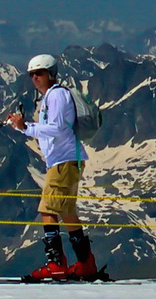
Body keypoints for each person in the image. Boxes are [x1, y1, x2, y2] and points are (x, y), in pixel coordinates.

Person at [6, 54, 98, 281]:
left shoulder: (56, 95)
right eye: (32, 75)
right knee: (66, 211)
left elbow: (57, 128)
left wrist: (25, 127)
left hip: (63, 160)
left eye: (39, 73)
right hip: (66, 159)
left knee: (47, 209)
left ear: (50, 74)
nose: (35, 78)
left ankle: (56, 264)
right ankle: (86, 264)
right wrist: (24, 127)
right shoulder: (51, 96)